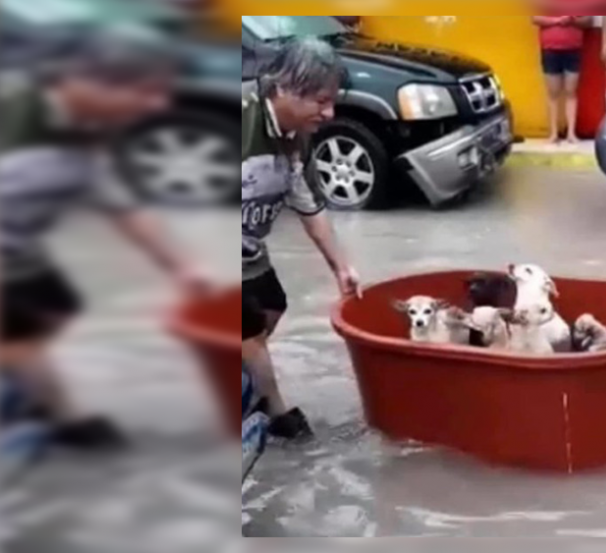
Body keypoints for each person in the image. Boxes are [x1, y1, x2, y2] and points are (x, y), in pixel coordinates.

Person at [0, 31, 211, 451]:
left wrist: (182, 267)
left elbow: (120, 204)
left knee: (58, 308)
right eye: (147, 91)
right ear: (89, 81)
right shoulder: (12, 112)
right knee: (18, 338)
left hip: (19, 240)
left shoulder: (92, 128)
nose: (159, 105)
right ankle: (66, 419)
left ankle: (25, 381)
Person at [242, 37, 362, 440]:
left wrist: (341, 268)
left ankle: (240, 379)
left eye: (333, 102)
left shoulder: (296, 137)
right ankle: (275, 412)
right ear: (283, 88)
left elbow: (309, 205)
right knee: (245, 324)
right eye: (320, 101)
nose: (329, 113)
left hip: (247, 249)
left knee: (272, 305)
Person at [533, 15, 590, 144]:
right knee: (553, 93)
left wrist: (573, 21)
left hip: (573, 49)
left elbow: (588, 21)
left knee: (571, 92)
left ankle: (571, 133)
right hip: (550, 49)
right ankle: (553, 133)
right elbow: (535, 18)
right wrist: (557, 21)